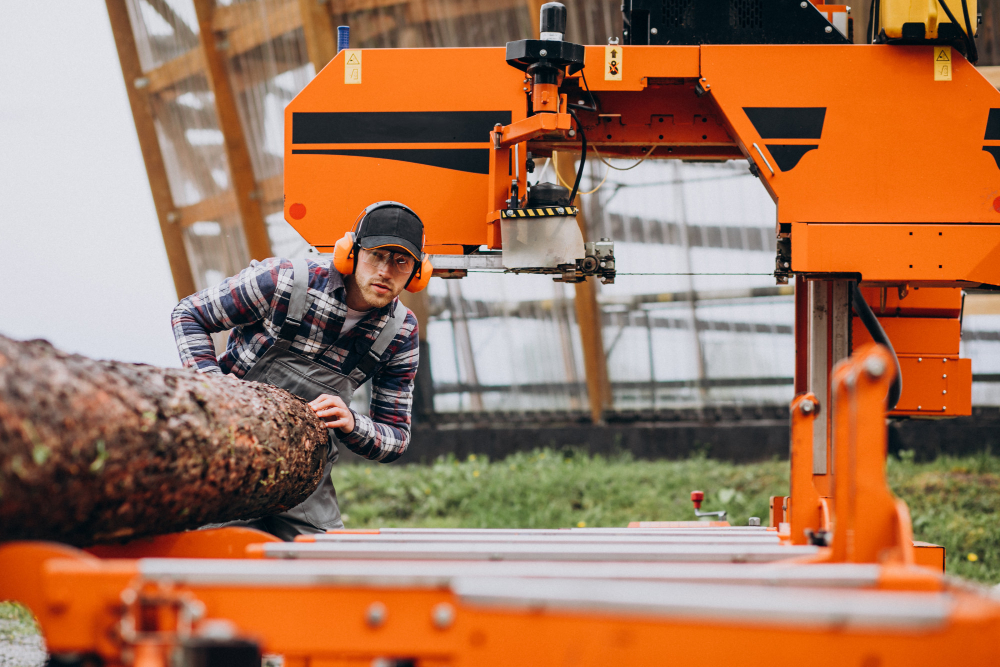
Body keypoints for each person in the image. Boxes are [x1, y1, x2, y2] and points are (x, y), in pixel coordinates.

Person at [171, 202, 428, 540]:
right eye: (376, 255)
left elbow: (396, 437)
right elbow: (189, 314)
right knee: (220, 557)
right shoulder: (284, 281)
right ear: (350, 253)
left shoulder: (401, 332)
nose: (385, 271)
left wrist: (354, 424)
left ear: (418, 272)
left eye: (401, 261)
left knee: (325, 573)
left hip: (305, 476)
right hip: (231, 457)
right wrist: (214, 388)